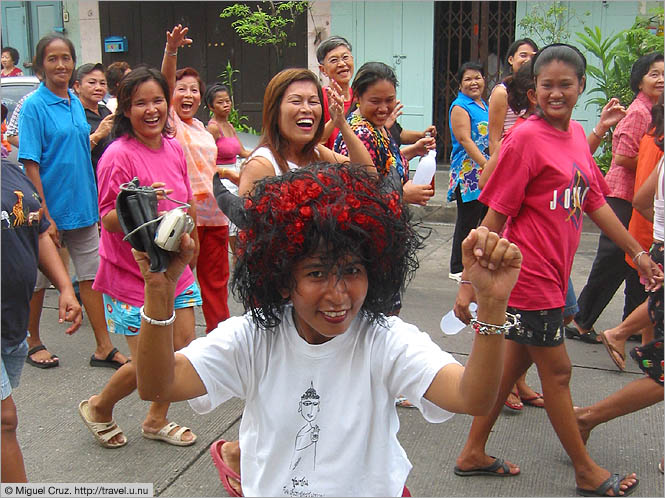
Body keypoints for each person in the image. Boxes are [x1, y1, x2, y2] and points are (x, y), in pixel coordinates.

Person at [135, 161, 524, 497]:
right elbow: (158, 386)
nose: (339, 294)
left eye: (352, 271)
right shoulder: (254, 337)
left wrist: (490, 306)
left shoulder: (383, 340)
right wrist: (159, 290)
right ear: (283, 279)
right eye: (317, 273)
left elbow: (471, 397)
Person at [453, 44, 662, 496]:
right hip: (527, 281)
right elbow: (492, 220)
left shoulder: (574, 137)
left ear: (580, 87)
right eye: (546, 85)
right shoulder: (525, 139)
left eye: (565, 85)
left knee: (508, 372)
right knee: (560, 373)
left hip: (553, 277)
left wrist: (637, 253)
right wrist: (470, 284)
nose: (555, 93)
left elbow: (596, 203)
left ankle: (472, 451)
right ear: (532, 90)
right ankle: (586, 468)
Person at [78, 66, 201, 449]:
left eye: (157, 101)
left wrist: (191, 242)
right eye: (140, 103)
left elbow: (187, 200)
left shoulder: (174, 146)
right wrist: (141, 201)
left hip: (175, 269)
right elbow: (109, 220)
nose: (151, 110)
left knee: (181, 347)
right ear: (125, 110)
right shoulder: (117, 156)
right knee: (149, 361)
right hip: (134, 275)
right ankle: (99, 406)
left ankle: (155, 419)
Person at [18, 33, 127, 370]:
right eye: (52, 59)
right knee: (39, 280)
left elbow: (82, 152)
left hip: (82, 204)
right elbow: (30, 163)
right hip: (48, 208)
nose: (61, 65)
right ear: (40, 66)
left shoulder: (75, 104)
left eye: (66, 58)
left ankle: (103, 347)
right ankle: (32, 341)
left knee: (91, 276)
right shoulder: (34, 107)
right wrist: (44, 214)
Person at [576, 152, 664, 473]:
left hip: (659, 251)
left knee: (658, 363)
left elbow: (641, 199)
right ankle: (587, 417)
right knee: (661, 373)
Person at [569, 52, 664, 343]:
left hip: (638, 194)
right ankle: (582, 321)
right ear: (639, 80)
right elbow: (623, 157)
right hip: (622, 195)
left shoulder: (656, 110)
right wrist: (655, 172)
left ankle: (633, 325)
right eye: (654, 74)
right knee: (612, 261)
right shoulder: (639, 112)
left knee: (636, 261)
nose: (660, 79)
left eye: (664, 74)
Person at [2, 150, 82, 482]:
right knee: (5, 420)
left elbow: (39, 232)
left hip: (10, 325)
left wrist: (64, 285)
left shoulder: (12, 174)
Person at [161, 24, 229, 333]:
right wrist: (171, 51)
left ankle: (219, 336)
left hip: (214, 214)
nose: (188, 94)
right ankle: (173, 341)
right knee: (180, 280)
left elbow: (209, 169)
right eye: (181, 89)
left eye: (194, 90)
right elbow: (162, 83)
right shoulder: (171, 123)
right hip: (183, 214)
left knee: (216, 282)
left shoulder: (203, 128)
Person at [599, 96, 664, 370]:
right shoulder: (644, 128)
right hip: (651, 236)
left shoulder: (652, 140)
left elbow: (641, 200)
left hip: (655, 239)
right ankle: (621, 333)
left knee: (653, 298)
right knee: (657, 300)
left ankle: (647, 358)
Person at [334, 61, 435, 207]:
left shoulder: (375, 125)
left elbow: (383, 163)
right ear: (357, 97)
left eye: (389, 100)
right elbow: (356, 194)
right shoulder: (361, 134)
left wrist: (414, 150)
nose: (383, 108)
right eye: (375, 101)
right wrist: (402, 195)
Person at [446, 61, 489, 282]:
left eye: (477, 77)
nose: (474, 82)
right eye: (468, 79)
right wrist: (486, 164)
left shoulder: (484, 105)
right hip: (469, 172)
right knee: (468, 219)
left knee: (486, 217)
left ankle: (478, 259)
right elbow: (464, 139)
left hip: (485, 171)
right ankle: (457, 266)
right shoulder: (460, 106)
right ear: (460, 84)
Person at [205, 82, 250, 259]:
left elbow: (242, 152)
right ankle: (237, 263)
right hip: (223, 180)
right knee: (233, 227)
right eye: (220, 102)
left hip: (236, 176)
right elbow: (207, 159)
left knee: (240, 227)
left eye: (227, 101)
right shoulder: (213, 128)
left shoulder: (229, 126)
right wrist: (223, 174)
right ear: (211, 106)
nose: (226, 105)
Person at [487, 38, 538, 155]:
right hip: (511, 156)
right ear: (511, 59)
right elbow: (494, 140)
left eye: (533, 56)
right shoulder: (502, 92)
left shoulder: (539, 90)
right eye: (523, 55)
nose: (528, 60)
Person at [73, 63, 114, 178]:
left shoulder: (105, 111)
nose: (98, 88)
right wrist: (98, 135)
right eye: (92, 83)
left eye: (102, 83)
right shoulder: (73, 114)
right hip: (86, 179)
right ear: (77, 86)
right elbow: (72, 152)